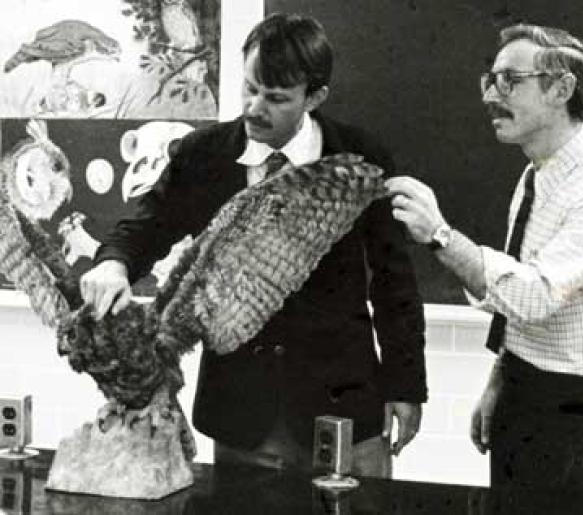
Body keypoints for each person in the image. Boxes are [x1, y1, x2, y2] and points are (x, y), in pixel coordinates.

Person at [79, 12, 427, 477]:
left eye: (276, 97)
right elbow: (148, 224)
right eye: (250, 87)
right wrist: (114, 263)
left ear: (315, 96)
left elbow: (394, 280)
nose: (254, 107)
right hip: (243, 414)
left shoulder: (360, 156)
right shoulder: (204, 154)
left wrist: (405, 385)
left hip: (343, 409)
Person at [386, 23, 583, 508]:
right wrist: (503, 379)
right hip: (524, 396)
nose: (491, 94)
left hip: (581, 418)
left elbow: (535, 295)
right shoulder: (535, 177)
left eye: (509, 80)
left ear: (561, 89)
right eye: (490, 79)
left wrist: (440, 235)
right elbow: (519, 306)